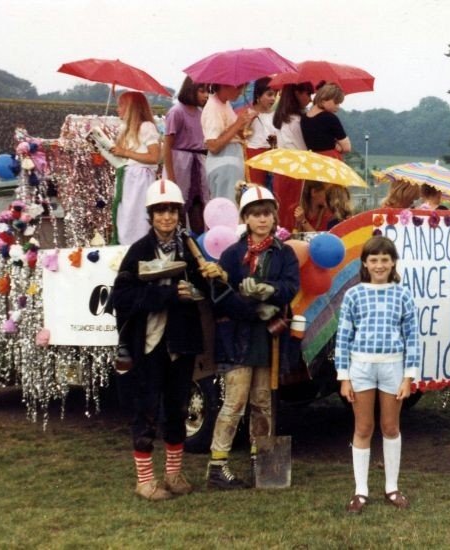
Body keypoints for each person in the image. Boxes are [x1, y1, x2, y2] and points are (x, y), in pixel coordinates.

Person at [111, 179, 226, 501]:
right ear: (151, 215)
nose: (166, 217)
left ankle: (173, 475)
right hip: (147, 343)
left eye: (172, 211)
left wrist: (209, 281)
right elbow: (121, 297)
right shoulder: (138, 251)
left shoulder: (189, 248)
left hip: (181, 342)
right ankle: (145, 481)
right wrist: (165, 295)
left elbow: (207, 292)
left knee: (177, 408)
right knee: (145, 409)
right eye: (160, 211)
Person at [206, 186, 300, 489]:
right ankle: (217, 466)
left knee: (263, 401)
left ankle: (262, 462)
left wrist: (270, 291)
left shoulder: (284, 253)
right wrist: (249, 307)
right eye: (256, 214)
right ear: (245, 217)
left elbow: (291, 286)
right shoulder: (232, 255)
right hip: (237, 338)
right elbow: (219, 295)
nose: (263, 220)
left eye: (267, 214)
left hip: (269, 338)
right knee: (234, 402)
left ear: (274, 217)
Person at [337, 236, 420, 513]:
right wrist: (344, 376)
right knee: (363, 428)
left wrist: (409, 376)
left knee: (390, 426)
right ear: (365, 263)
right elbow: (344, 338)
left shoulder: (403, 294)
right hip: (361, 367)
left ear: (393, 262)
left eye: (385, 259)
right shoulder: (353, 295)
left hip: (392, 367)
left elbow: (412, 338)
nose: (379, 265)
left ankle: (392, 487)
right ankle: (360, 491)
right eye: (374, 260)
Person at [110, 91, 160, 245]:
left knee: (138, 217)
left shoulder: (147, 127)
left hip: (141, 180)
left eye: (121, 106)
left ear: (131, 108)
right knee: (126, 217)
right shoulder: (126, 130)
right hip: (129, 178)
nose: (118, 109)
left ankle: (140, 246)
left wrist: (125, 152)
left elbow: (154, 157)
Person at [162, 77, 209, 234]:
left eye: (207, 91)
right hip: (180, 163)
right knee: (177, 205)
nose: (206, 95)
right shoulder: (176, 112)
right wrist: (170, 176)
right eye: (202, 91)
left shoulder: (201, 113)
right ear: (191, 90)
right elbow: (167, 145)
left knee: (199, 206)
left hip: (198, 164)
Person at [201, 82, 257, 202]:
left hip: (231, 163)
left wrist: (242, 125)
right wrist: (238, 124)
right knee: (227, 207)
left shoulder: (225, 104)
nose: (241, 92)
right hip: (225, 166)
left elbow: (229, 132)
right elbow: (213, 145)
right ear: (224, 85)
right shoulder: (213, 107)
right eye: (239, 87)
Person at [272, 82, 314, 230]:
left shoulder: (282, 117)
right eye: (308, 94)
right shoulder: (298, 120)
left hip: (281, 167)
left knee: (282, 208)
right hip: (296, 167)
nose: (310, 98)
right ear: (297, 93)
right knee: (293, 208)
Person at [300, 83, 351, 160]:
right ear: (324, 100)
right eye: (336, 103)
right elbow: (347, 148)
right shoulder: (330, 118)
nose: (338, 107)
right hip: (330, 160)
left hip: (314, 160)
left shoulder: (304, 118)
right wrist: (339, 147)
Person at [244, 78, 279, 186]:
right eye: (269, 95)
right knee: (256, 190)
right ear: (258, 96)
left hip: (271, 156)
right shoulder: (248, 113)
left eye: (275, 95)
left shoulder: (275, 115)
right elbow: (242, 135)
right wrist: (249, 121)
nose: (273, 99)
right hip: (253, 155)